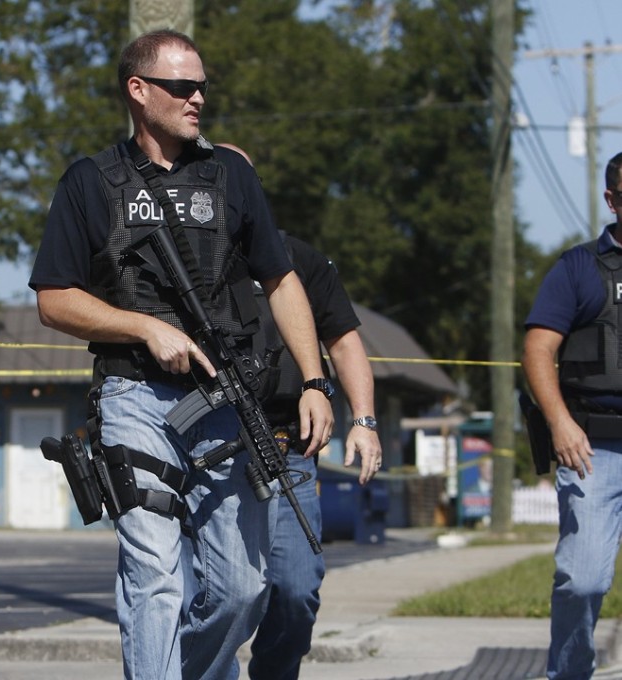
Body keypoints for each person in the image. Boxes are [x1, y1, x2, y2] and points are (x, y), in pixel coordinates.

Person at [29, 29, 334, 680]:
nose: (197, 97)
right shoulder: (90, 183)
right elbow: (54, 299)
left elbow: (281, 280)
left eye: (202, 86)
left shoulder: (231, 176)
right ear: (139, 92)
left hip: (225, 400)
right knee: (156, 578)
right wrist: (142, 327)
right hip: (134, 396)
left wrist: (314, 380)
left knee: (241, 589)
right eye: (181, 86)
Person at [214, 144, 383, 680]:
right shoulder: (186, 263)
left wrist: (364, 420)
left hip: (290, 449)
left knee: (296, 590)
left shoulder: (298, 260)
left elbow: (346, 342)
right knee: (220, 596)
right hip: (211, 450)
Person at [522, 150, 622, 680]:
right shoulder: (579, 267)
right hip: (594, 447)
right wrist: (559, 421)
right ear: (612, 200)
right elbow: (538, 349)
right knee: (581, 581)